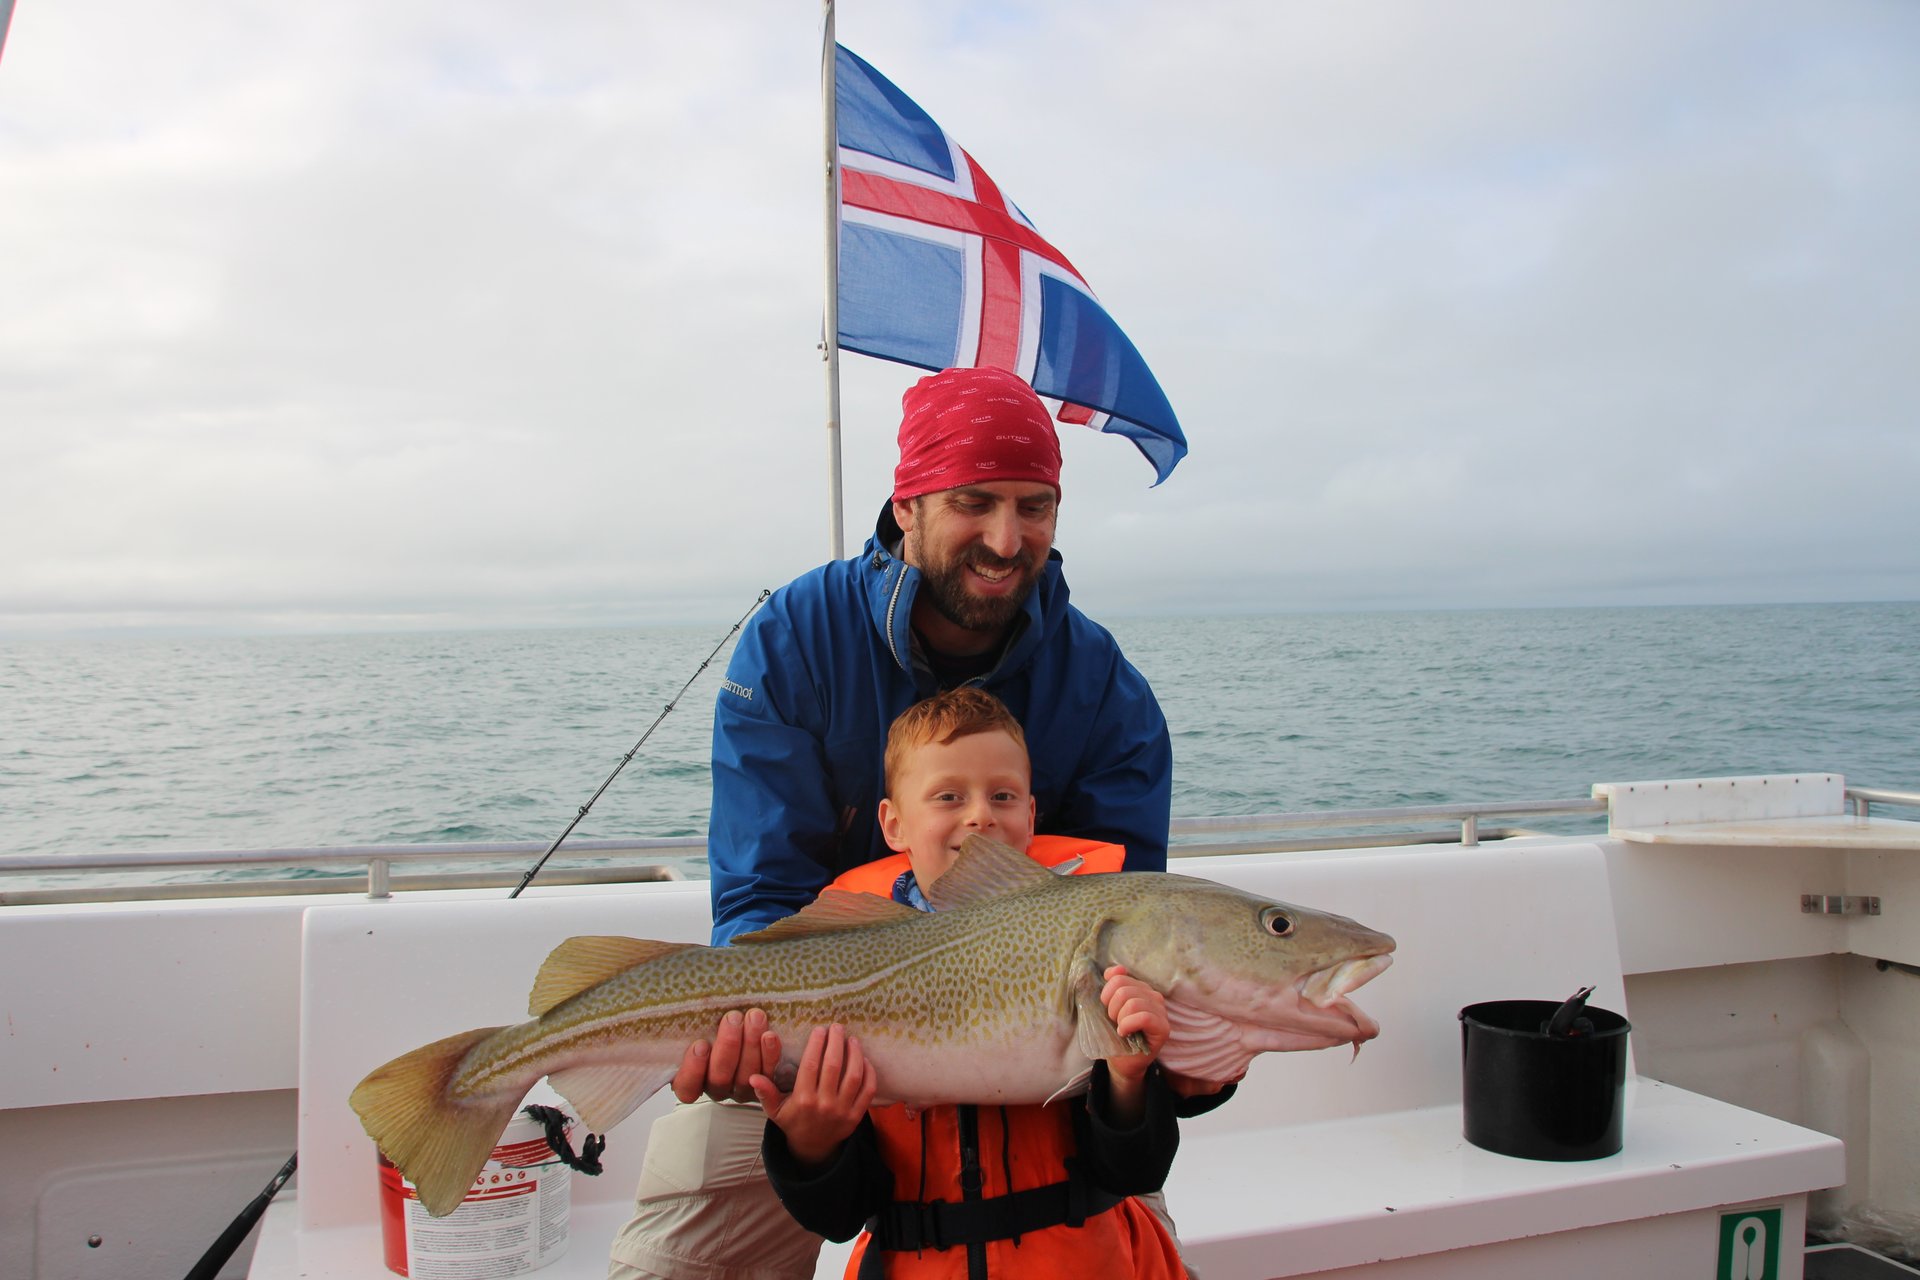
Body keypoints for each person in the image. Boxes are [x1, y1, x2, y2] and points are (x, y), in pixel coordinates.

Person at [607, 366, 1178, 1280]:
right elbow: (761, 887)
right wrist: (763, 1054)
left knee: (1127, 1216)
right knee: (672, 1270)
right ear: (906, 505)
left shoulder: (1104, 688)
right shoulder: (795, 638)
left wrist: (1149, 1079)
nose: (1005, 537)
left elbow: (1129, 928)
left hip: (1037, 1048)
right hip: (814, 1022)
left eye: (1036, 505)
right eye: (973, 501)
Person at [753, 687, 1188, 1279]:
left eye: (1002, 795)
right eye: (949, 796)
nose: (980, 815)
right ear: (893, 823)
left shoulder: (1095, 954)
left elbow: (1134, 1173)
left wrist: (1129, 1080)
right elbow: (840, 1214)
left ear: (1032, 814)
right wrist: (810, 1143)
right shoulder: (839, 961)